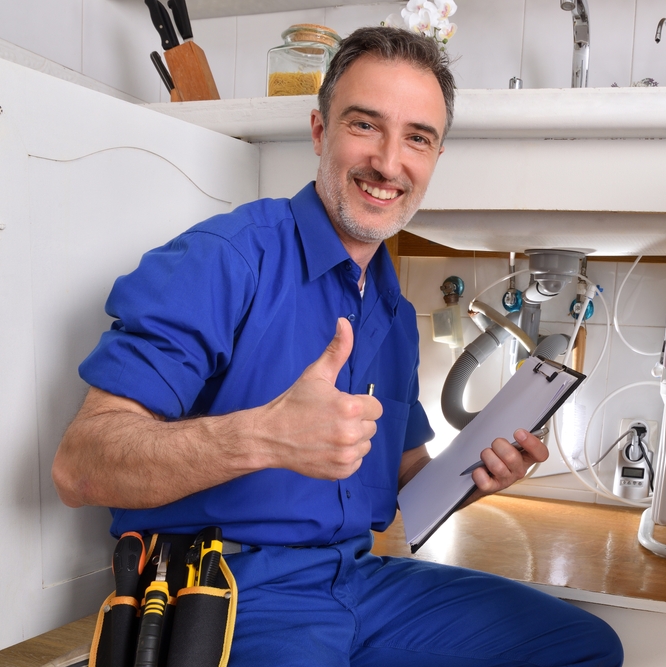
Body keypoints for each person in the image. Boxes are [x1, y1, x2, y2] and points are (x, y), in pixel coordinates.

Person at [52, 26, 624, 667]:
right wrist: (265, 436)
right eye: (364, 125)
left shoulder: (393, 310)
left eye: (417, 138)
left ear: (433, 159)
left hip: (357, 580)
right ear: (321, 132)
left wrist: (478, 477)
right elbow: (81, 465)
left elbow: (406, 482)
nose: (388, 161)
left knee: (582, 649)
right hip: (227, 591)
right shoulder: (225, 261)